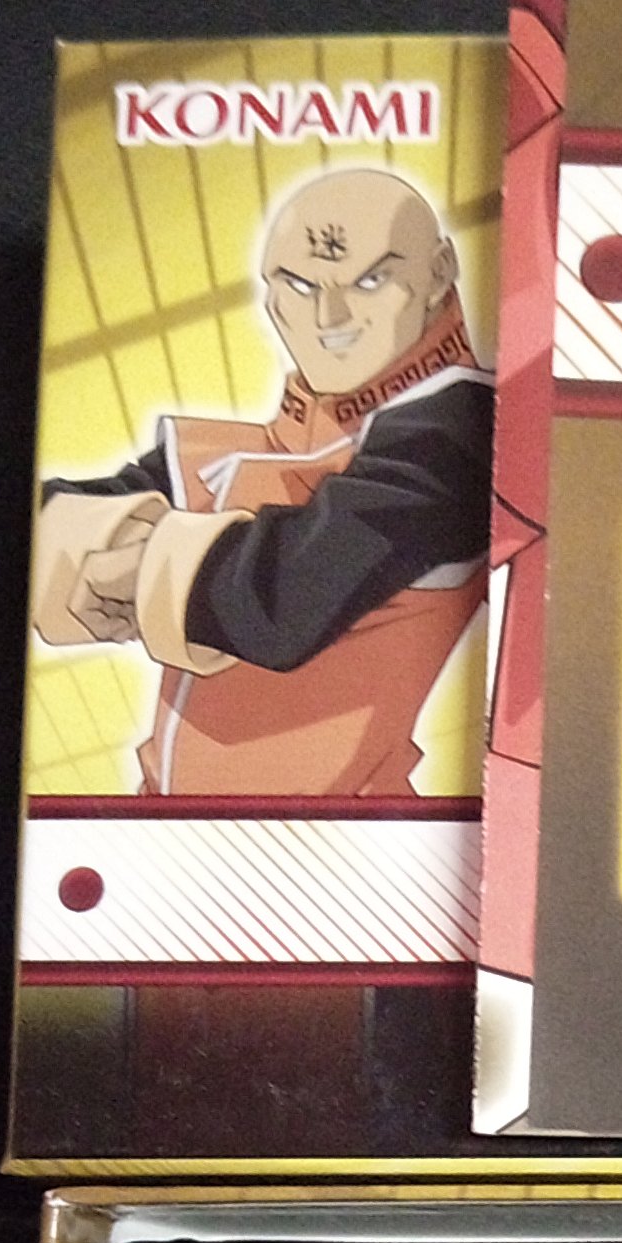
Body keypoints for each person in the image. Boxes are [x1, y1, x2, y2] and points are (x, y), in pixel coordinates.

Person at [30, 165, 492, 796]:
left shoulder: (457, 428)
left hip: (342, 834)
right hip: (165, 821)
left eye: (370, 280)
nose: (330, 315)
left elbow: (285, 598)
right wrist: (92, 551)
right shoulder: (252, 448)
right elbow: (60, 510)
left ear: (439, 274)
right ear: (271, 295)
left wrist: (124, 567)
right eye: (299, 285)